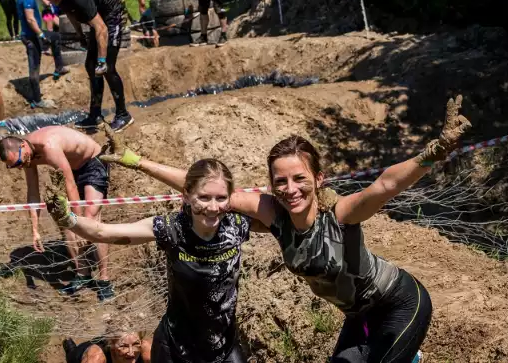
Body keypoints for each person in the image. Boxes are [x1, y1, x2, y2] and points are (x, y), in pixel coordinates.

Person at [99, 96, 473, 362]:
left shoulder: (340, 214)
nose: (290, 189)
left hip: (400, 304)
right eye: (280, 181)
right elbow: (202, 186)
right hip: (359, 316)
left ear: (318, 178)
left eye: (299, 178)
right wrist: (136, 161)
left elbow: (385, 185)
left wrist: (432, 153)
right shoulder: (273, 213)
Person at [45, 144, 269, 362]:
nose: (213, 207)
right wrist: (69, 219)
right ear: (186, 196)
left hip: (223, 348)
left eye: (221, 198)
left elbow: (284, 218)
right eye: (204, 197)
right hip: (175, 349)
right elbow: (104, 232)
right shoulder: (171, 228)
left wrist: (140, 163)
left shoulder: (238, 224)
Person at [0, 126, 114, 300]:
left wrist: (81, 223)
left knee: (91, 218)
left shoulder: (48, 145)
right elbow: (33, 192)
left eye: (19, 162)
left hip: (92, 162)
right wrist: (35, 229)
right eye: (15, 166)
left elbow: (70, 185)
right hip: (72, 168)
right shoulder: (28, 156)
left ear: (22, 146)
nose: (21, 167)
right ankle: (83, 274)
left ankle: (105, 279)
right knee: (66, 222)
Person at [41, 0, 134, 132]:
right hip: (98, 18)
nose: (52, 0)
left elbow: (101, 28)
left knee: (107, 68)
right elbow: (70, 13)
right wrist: (79, 35)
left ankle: (123, 115)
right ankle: (95, 115)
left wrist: (102, 60)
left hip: (112, 15)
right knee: (90, 65)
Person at [17, 0, 69, 109]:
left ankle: (59, 67)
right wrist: (40, 35)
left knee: (55, 37)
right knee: (34, 67)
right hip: (31, 36)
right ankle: (37, 99)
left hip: (32, 34)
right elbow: (29, 18)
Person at [63, 315, 152, 363]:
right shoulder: (96, 358)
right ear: (112, 346)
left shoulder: (149, 352)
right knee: (72, 354)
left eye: (136, 344)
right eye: (123, 346)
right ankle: (69, 345)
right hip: (81, 354)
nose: (131, 352)